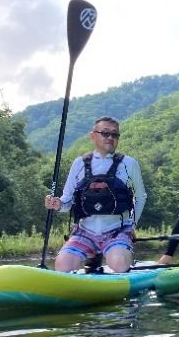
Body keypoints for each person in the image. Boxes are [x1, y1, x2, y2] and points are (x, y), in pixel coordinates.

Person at [44, 116, 147, 272]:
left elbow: (140, 196)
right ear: (93, 136)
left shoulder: (129, 163)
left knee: (119, 264)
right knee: (62, 266)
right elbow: (67, 201)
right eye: (105, 133)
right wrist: (57, 204)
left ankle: (117, 254)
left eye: (115, 134)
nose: (110, 137)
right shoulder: (79, 163)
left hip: (117, 230)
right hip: (84, 232)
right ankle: (93, 255)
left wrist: (132, 224)